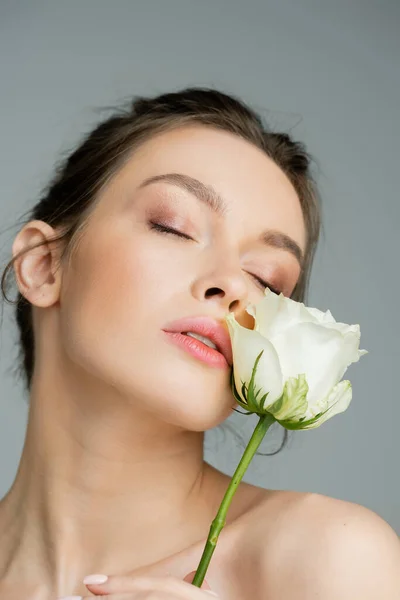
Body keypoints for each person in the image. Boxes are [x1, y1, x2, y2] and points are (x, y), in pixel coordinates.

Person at [0, 87, 398, 600]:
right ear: (44, 265)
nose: (233, 284)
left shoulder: (324, 559)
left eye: (268, 281)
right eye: (174, 227)